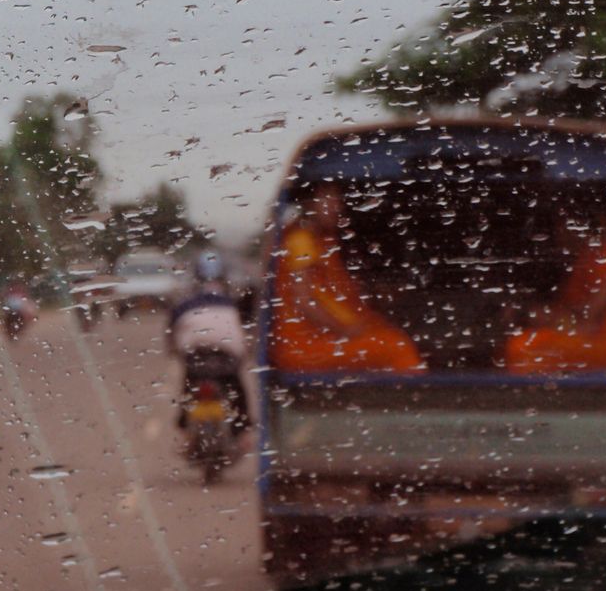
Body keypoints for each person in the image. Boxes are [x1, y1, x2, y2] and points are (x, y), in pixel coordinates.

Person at [270, 182, 423, 373]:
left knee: (386, 334)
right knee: (398, 348)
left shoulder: (321, 240)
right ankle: (417, 400)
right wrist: (346, 331)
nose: (337, 207)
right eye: (329, 201)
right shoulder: (301, 240)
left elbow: (333, 292)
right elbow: (304, 301)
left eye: (338, 201)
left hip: (322, 340)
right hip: (305, 347)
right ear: (310, 204)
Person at [503, 203, 606, 373]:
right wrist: (528, 313)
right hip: (598, 342)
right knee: (522, 345)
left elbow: (591, 315)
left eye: (563, 225)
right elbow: (569, 313)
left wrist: (548, 320)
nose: (559, 235)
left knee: (522, 348)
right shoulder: (590, 256)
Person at [168, 250, 251, 435]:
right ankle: (243, 428)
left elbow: (172, 330)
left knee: (188, 383)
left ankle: (183, 424)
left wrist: (173, 349)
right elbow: (242, 330)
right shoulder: (232, 302)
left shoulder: (185, 303)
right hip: (228, 356)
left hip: (195, 355)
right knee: (236, 386)